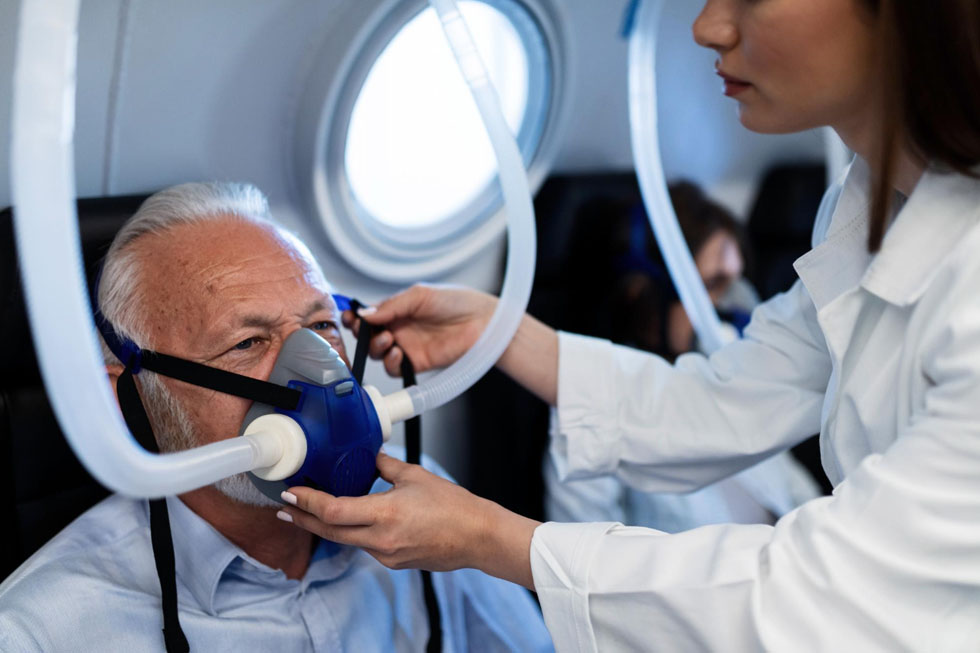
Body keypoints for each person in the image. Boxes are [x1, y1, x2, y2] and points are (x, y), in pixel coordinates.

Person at [274, 1, 980, 649]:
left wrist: (489, 538)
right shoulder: (867, 209)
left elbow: (817, 599)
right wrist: (503, 332)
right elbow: (725, 401)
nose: (707, 27)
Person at [0, 182, 553, 652]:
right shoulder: (44, 631)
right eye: (247, 342)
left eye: (322, 326)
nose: (319, 371)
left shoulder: (424, 508)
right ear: (131, 399)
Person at [544, 182, 821, 532]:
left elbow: (793, 489)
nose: (731, 306)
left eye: (734, 283)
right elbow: (583, 552)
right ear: (641, 294)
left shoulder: (727, 372)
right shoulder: (589, 413)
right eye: (713, 285)